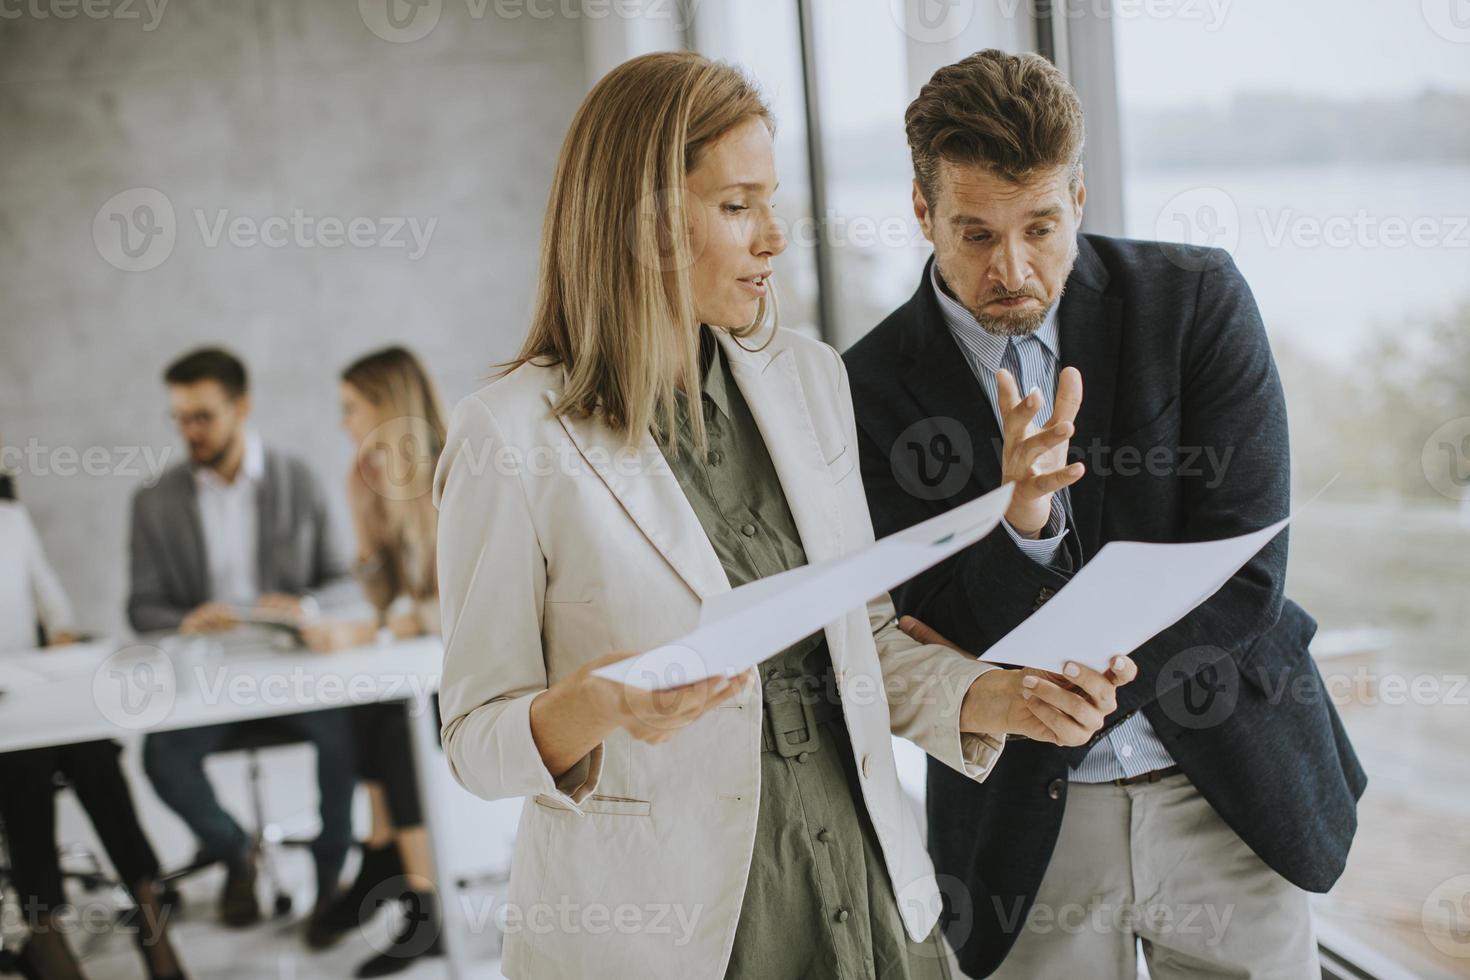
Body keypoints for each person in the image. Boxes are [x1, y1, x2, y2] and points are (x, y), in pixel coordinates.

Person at [433, 52, 1137, 979]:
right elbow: (475, 742)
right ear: (642, 224)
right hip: (686, 931)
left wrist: (999, 695)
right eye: (738, 207)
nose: (774, 237)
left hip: (867, 888)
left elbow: (863, 642)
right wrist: (599, 702)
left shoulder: (809, 379)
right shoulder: (509, 436)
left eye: (773, 201)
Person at [843, 49, 1367, 979]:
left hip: (1228, 793)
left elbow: (1245, 570)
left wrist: (1080, 674)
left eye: (1041, 226)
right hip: (1020, 828)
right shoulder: (867, 388)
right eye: (975, 234)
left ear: (1079, 197)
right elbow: (931, 622)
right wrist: (1024, 526)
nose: (1013, 269)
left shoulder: (1195, 300)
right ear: (922, 213)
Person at [127, 347, 357, 938]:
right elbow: (141, 607)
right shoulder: (154, 501)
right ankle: (234, 854)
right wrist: (184, 620)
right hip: (208, 677)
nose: (190, 431)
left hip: (295, 669)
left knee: (352, 730)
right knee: (162, 756)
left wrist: (305, 607)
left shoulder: (299, 479)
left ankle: (331, 875)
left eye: (202, 416)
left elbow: (345, 581)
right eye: (179, 418)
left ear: (242, 406)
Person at [299, 346, 447, 976]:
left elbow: (459, 601)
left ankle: (423, 895)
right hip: (425, 661)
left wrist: (383, 626)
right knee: (366, 703)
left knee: (395, 721)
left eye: (350, 409)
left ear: (385, 407)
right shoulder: (382, 479)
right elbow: (387, 595)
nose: (342, 423)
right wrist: (363, 520)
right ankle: (383, 851)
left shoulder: (451, 472)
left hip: (475, 665)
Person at [0, 485, 187, 980]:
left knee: (92, 748)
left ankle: (150, 916)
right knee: (22, 764)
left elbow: (57, 616)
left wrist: (62, 642)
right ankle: (45, 933)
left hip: (25, 696)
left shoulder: (10, 520)